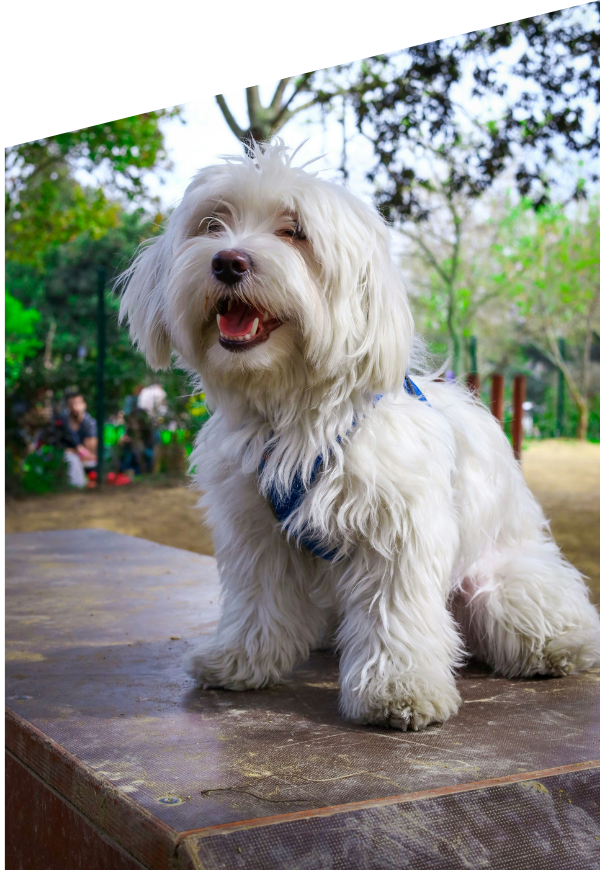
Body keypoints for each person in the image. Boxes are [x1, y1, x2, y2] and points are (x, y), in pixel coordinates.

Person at [60, 388, 98, 488]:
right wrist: (77, 451)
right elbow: (61, 448)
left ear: (84, 405)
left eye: (77, 403)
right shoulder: (62, 422)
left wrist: (79, 451)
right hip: (69, 458)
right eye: (71, 404)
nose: (74, 407)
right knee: (70, 458)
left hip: (86, 459)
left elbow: (90, 450)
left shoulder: (90, 423)